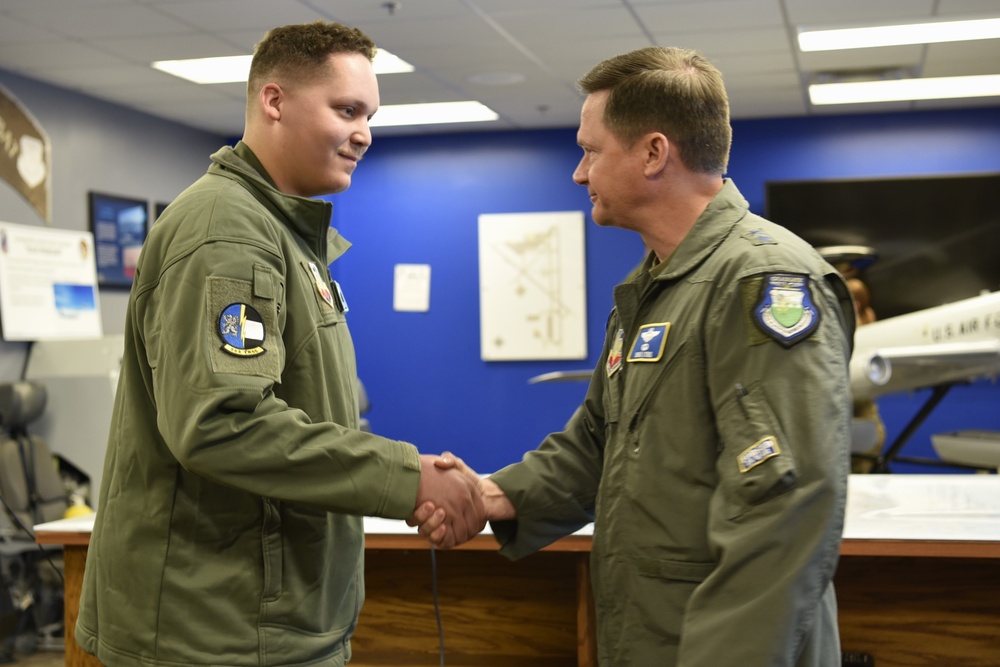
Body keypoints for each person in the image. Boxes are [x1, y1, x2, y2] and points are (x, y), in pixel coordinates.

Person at [416, 46, 856, 666]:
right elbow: (597, 443)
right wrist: (491, 496)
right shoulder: (658, 285)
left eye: (591, 150)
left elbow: (783, 512)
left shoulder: (761, 281)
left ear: (653, 153)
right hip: (650, 635)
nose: (577, 172)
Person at [75, 21, 484, 667]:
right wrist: (407, 478)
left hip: (263, 619)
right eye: (346, 109)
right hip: (215, 629)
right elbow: (221, 424)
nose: (364, 133)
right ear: (274, 101)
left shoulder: (282, 232)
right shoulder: (228, 232)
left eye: (369, 115)